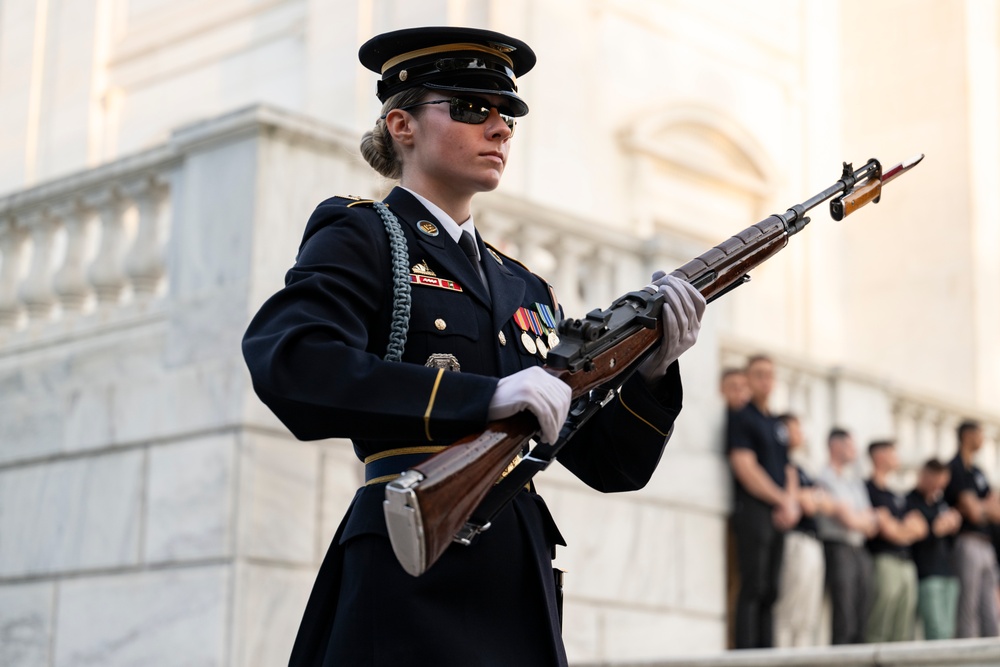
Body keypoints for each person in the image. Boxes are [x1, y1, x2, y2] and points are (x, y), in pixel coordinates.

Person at [241, 26, 705, 667]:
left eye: (507, 113)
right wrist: (484, 396)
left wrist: (654, 370)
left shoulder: (525, 285)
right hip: (410, 566)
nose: (500, 128)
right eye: (469, 108)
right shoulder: (365, 234)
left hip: (515, 571)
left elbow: (611, 466)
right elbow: (291, 361)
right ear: (401, 125)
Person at [726, 355, 800, 649]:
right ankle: (747, 654)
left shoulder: (776, 423)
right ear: (748, 379)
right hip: (753, 511)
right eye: (758, 375)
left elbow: (789, 467)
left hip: (779, 514)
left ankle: (768, 654)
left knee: (772, 590)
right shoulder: (742, 417)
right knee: (753, 585)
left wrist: (790, 503)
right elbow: (744, 466)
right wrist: (782, 499)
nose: (765, 380)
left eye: (770, 375)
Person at [771, 413, 832, 647]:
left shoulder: (801, 467)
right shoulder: (782, 464)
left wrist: (812, 498)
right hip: (795, 540)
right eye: (795, 428)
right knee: (790, 609)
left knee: (808, 614)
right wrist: (811, 498)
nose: (800, 434)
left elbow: (825, 503)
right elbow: (803, 502)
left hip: (813, 541)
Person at [815, 427, 879, 645]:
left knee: (862, 616)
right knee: (845, 616)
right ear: (836, 446)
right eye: (850, 445)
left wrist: (854, 518)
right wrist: (855, 518)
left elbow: (870, 522)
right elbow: (848, 519)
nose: (855, 451)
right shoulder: (823, 478)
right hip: (838, 547)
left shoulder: (854, 482)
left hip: (859, 550)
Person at [863, 440, 927, 643]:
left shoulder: (895, 494)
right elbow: (889, 531)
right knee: (881, 621)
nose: (897, 457)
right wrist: (903, 529)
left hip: (906, 562)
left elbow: (921, 528)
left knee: (903, 627)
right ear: (880, 456)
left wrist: (900, 529)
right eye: (892, 452)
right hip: (884, 560)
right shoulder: (868, 489)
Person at [945, 420, 1000, 638]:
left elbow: (994, 508)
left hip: (986, 544)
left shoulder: (978, 471)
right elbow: (973, 512)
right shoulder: (955, 467)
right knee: (968, 605)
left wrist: (980, 506)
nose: (983, 439)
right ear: (968, 436)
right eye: (980, 434)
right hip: (967, 541)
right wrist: (982, 507)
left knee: (989, 607)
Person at [907, 458, 962, 640]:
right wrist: (935, 529)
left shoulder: (940, 503)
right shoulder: (910, 501)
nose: (939, 488)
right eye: (936, 483)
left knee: (948, 632)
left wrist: (953, 525)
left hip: (948, 573)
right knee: (936, 631)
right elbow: (917, 535)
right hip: (928, 574)